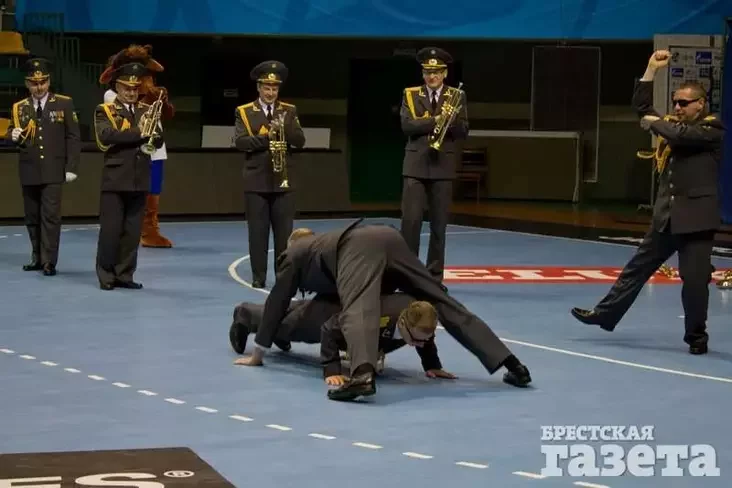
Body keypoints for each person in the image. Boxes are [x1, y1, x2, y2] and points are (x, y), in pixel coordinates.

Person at [234, 221, 531, 401]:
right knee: (441, 299)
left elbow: (277, 302)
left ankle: (362, 376)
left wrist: (258, 355)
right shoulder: (317, 247)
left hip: (358, 249)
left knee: (358, 308)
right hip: (389, 238)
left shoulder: (294, 256)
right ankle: (513, 365)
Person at [570, 50, 725, 355]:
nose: (677, 107)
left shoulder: (712, 129)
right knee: (636, 269)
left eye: (684, 103)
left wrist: (653, 122)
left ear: (700, 103)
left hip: (697, 221)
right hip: (667, 216)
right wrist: (651, 70)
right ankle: (605, 314)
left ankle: (696, 336)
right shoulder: (674, 124)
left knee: (695, 282)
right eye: (676, 102)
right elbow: (642, 108)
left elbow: (679, 134)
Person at [229, 293, 457, 385]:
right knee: (291, 326)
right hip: (331, 313)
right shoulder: (376, 316)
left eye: (425, 341)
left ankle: (278, 333)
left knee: (295, 314)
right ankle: (246, 314)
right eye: (416, 341)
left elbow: (425, 338)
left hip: (343, 306)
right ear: (403, 324)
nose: (420, 345)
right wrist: (332, 370)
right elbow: (329, 330)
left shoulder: (418, 322)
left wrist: (432, 365)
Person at [93, 62, 165, 291]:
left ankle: (125, 274)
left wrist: (155, 137)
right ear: (117, 87)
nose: (132, 93)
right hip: (115, 179)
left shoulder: (146, 110)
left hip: (140, 177)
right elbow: (107, 135)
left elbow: (157, 140)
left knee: (132, 232)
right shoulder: (105, 110)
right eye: (127, 88)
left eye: (135, 89)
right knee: (111, 231)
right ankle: (106, 275)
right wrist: (140, 132)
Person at [234, 60, 306, 288]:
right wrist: (268, 138)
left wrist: (285, 130)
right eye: (267, 88)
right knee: (258, 233)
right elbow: (240, 142)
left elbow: (300, 141)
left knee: (284, 234)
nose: (271, 93)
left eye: (274, 88)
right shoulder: (244, 112)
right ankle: (259, 276)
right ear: (259, 88)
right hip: (256, 181)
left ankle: (283, 277)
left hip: (284, 181)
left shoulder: (289, 110)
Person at [399, 47, 469, 281]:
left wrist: (452, 121)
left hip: (442, 165)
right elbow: (407, 126)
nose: (432, 76)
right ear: (423, 73)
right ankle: (408, 275)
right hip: (415, 166)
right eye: (428, 72)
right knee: (410, 224)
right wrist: (436, 119)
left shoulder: (457, 96)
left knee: (439, 226)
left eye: (437, 72)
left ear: (445, 73)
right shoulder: (410, 94)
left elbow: (463, 131)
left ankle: (434, 278)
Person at [6, 57, 80, 276]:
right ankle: (36, 257)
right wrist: (12, 135)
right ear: (27, 83)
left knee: (50, 217)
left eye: (43, 82)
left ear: (48, 81)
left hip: (53, 170)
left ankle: (49, 261)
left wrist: (71, 166)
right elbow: (11, 130)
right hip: (29, 169)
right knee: (32, 217)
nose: (39, 87)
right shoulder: (19, 107)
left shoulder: (64, 103)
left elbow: (73, 137)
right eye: (34, 83)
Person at [100, 44, 175, 248]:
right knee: (131, 194)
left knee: (153, 193)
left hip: (156, 151)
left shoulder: (151, 92)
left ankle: (150, 230)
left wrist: (163, 101)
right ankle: (128, 230)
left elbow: (165, 116)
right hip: (131, 153)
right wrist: (148, 95)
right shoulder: (111, 95)